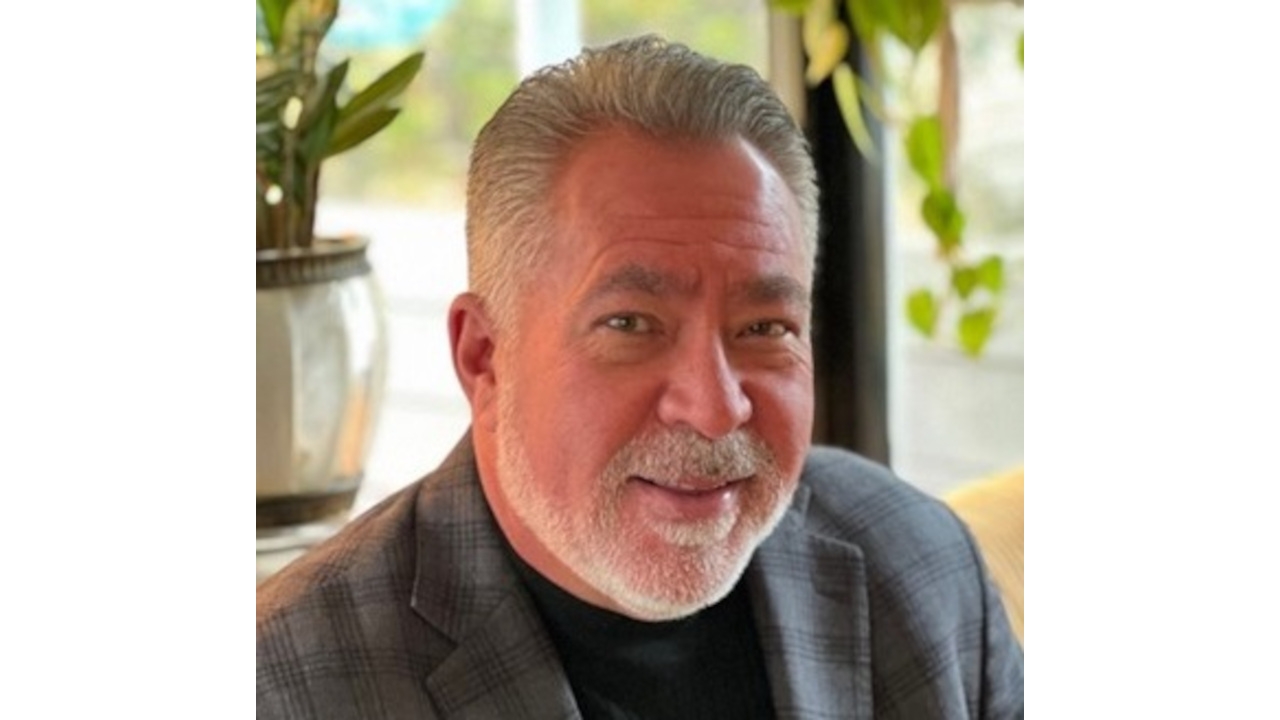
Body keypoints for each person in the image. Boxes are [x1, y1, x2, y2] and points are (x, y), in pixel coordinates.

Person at [257, 34, 1024, 719]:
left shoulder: (918, 562)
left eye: (765, 329)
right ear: (484, 356)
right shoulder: (282, 685)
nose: (714, 408)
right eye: (630, 324)